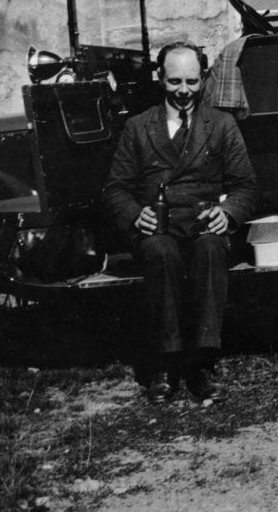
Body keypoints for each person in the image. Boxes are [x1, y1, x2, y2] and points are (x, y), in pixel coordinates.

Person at [103, 41, 257, 404]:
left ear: (202, 78)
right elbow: (115, 189)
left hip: (204, 225)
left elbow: (246, 185)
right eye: (175, 82)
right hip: (159, 227)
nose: (184, 91)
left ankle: (202, 363)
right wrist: (133, 213)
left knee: (210, 248)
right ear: (160, 78)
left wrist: (228, 211)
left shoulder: (221, 124)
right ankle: (167, 364)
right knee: (160, 252)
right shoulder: (138, 128)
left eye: (191, 81)